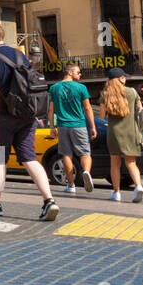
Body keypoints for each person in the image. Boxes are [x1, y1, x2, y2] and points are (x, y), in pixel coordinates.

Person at [0, 21, 59, 221]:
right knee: (30, 158)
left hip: (4, 117)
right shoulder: (20, 55)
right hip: (27, 115)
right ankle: (49, 200)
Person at [48, 62, 96, 195]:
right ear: (70, 72)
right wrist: (92, 126)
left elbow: (51, 110)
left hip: (63, 126)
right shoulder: (81, 88)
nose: (80, 74)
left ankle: (71, 185)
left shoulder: (54, 88)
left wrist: (52, 127)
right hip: (79, 125)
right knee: (85, 153)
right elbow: (87, 108)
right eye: (78, 72)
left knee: (66, 155)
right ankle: (86, 171)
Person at [102, 67, 143, 202]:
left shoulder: (105, 94)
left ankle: (116, 193)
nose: (125, 79)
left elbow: (103, 117)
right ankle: (138, 186)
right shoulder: (132, 92)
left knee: (115, 163)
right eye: (124, 77)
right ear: (121, 78)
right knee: (131, 162)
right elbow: (140, 110)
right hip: (131, 131)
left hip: (114, 132)